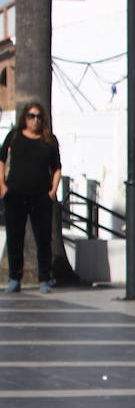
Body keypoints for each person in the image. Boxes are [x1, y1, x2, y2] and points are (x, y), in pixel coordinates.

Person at [0, 100, 62, 294]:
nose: (35, 120)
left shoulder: (49, 140)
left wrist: (53, 191)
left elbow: (57, 167)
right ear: (25, 118)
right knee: (15, 237)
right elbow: (1, 159)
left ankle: (44, 278)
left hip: (41, 196)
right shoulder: (14, 136)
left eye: (39, 116)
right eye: (31, 116)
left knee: (43, 239)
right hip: (15, 194)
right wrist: (2, 185)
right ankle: (14, 279)